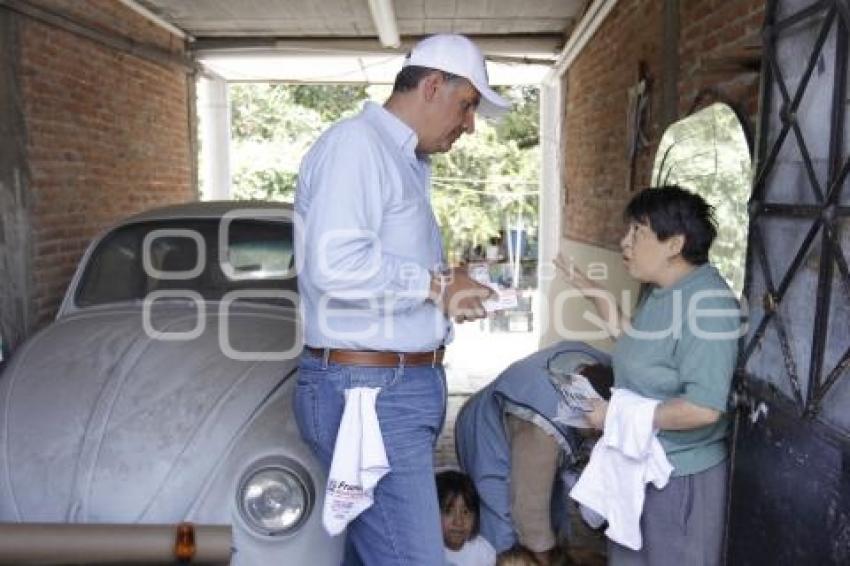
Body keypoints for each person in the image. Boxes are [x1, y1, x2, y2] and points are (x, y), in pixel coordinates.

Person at [293, 34, 509, 565]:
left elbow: (378, 264)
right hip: (370, 390)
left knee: (373, 553)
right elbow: (334, 264)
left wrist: (448, 283)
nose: (469, 125)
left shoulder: (403, 162)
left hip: (386, 387)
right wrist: (436, 287)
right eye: (467, 106)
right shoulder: (356, 146)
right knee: (413, 557)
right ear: (432, 85)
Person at [555, 186, 741, 565]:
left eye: (637, 233)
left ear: (674, 243)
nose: (624, 242)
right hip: (638, 465)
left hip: (678, 479)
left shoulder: (708, 306)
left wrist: (616, 417)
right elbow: (635, 343)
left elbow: (704, 408)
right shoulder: (662, 293)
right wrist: (593, 293)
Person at [455, 341, 614, 564]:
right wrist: (545, 558)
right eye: (598, 431)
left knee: (556, 512)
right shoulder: (543, 427)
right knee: (503, 530)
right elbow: (530, 509)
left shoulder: (610, 369)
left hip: (531, 403)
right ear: (581, 410)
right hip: (486, 427)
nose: (599, 436)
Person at [437, 470, 497, 566]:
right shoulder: (429, 551)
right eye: (448, 511)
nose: (458, 522)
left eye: (465, 512)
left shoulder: (483, 550)